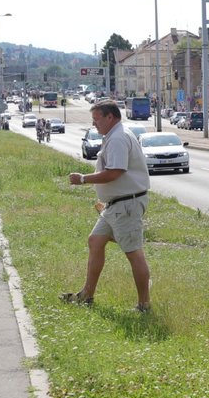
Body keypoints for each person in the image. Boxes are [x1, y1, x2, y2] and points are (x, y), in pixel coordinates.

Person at [62, 100, 152, 312]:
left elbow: (115, 171)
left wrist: (83, 179)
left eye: (96, 120)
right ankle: (87, 295)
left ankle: (144, 305)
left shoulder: (118, 138)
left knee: (134, 253)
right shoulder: (114, 136)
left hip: (126, 204)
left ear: (110, 117)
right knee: (95, 241)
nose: (94, 125)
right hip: (116, 205)